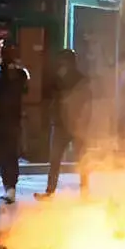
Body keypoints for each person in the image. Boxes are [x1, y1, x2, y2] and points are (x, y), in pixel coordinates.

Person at [36, 49, 88, 199]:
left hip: (71, 124)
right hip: (62, 124)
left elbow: (85, 101)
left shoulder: (77, 78)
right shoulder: (58, 79)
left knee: (78, 159)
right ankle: (52, 190)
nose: (62, 64)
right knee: (58, 159)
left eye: (64, 61)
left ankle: (82, 190)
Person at [0, 44, 30, 203]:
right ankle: (9, 186)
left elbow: (24, 90)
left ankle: (9, 186)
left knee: (8, 155)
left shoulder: (18, 73)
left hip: (7, 119)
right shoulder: (1, 73)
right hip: (4, 119)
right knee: (7, 154)